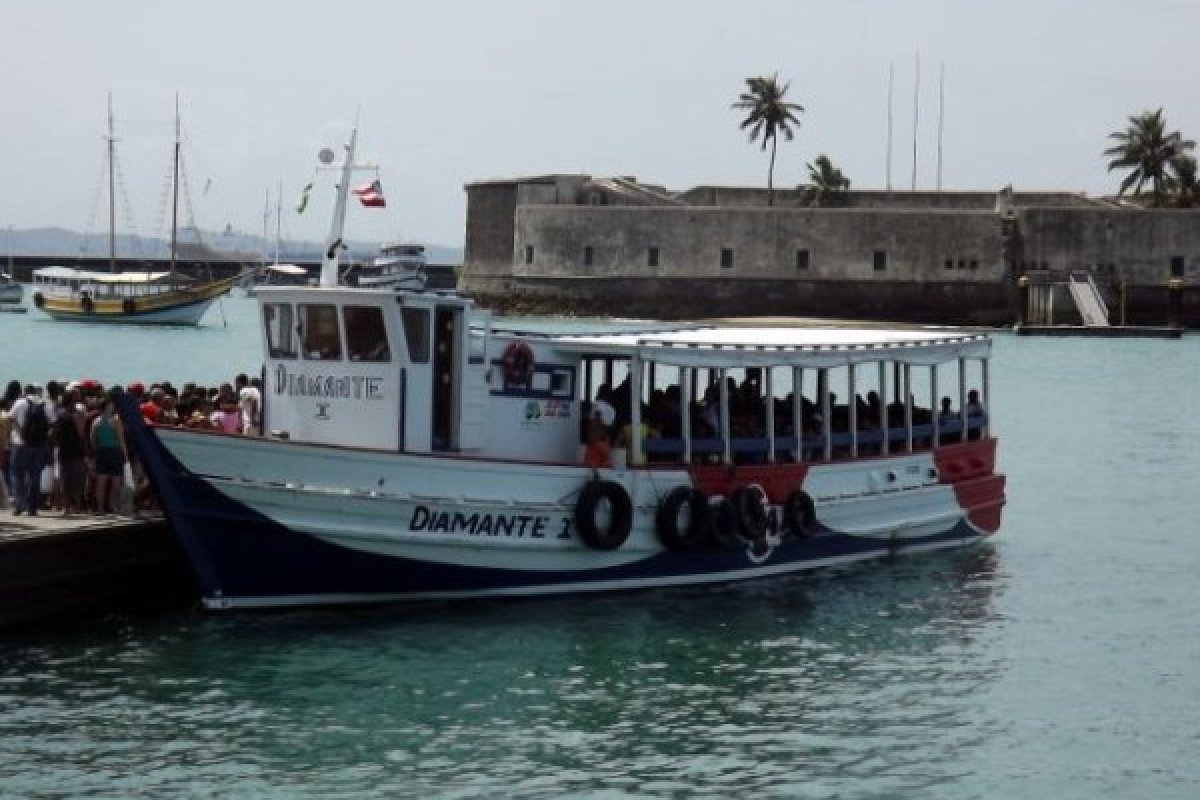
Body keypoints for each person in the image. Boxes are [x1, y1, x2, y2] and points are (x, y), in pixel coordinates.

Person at [10, 384, 55, 516]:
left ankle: (19, 505)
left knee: (17, 474)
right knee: (35, 476)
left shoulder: (20, 402)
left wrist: (21, 434)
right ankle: (32, 508)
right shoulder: (46, 404)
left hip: (20, 444)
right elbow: (53, 424)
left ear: (25, 391)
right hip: (39, 445)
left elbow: (11, 418)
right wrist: (45, 438)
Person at [90, 394, 126, 514]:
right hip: (115, 451)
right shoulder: (115, 420)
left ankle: (100, 508)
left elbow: (93, 439)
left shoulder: (96, 421)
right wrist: (125, 454)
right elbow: (121, 439)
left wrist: (97, 450)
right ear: (108, 406)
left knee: (101, 482)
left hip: (101, 451)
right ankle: (114, 507)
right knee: (116, 482)